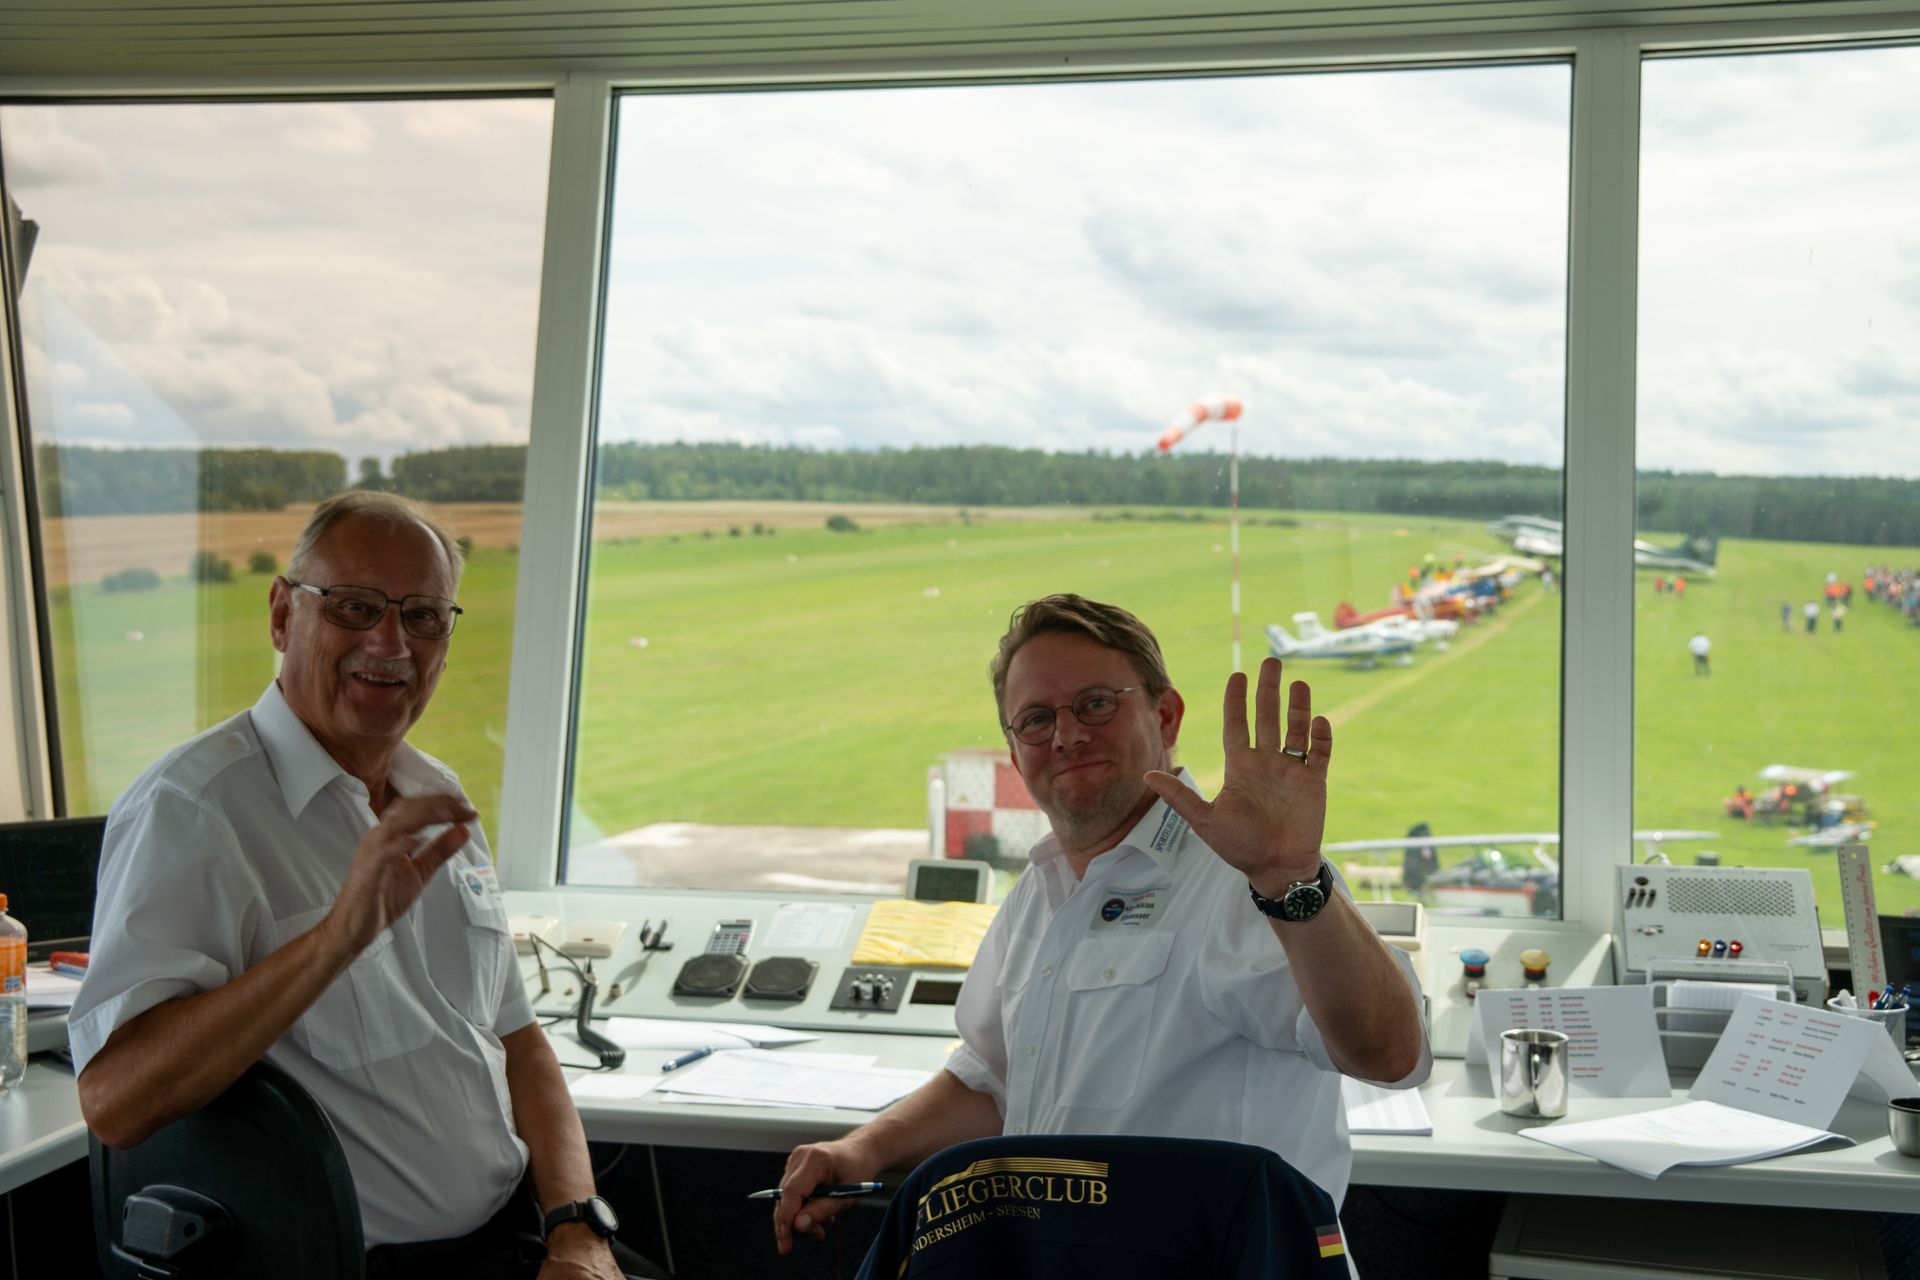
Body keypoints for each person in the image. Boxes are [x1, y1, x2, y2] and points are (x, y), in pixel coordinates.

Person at [70, 493, 657, 1280]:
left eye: (423, 617)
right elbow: (115, 1102)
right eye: (354, 607)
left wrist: (579, 1232)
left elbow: (518, 1042)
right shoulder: (194, 810)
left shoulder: (434, 796)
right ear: (282, 616)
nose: (391, 643)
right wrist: (336, 938)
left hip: (519, 1241)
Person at [772, 594, 1429, 1260]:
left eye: (1095, 704)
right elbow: (995, 1078)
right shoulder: (1041, 888)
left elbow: (1391, 1053)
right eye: (1035, 719)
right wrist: (863, 1148)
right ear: (1014, 747)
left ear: (1165, 716)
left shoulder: (1246, 877)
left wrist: (1292, 878)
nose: (1066, 736)